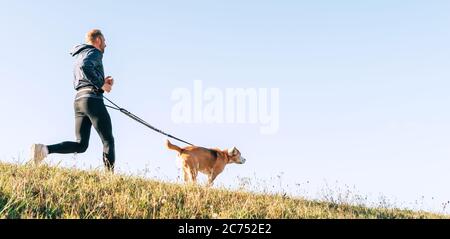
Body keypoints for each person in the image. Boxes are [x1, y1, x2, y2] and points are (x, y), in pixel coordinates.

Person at [30, 29, 116, 172]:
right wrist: (101, 84)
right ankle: (110, 177)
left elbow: (83, 73)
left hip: (79, 100)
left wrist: (102, 82)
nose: (106, 45)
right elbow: (85, 67)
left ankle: (43, 150)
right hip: (92, 99)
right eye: (105, 41)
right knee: (108, 140)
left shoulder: (81, 54)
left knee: (81, 145)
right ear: (99, 40)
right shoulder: (94, 52)